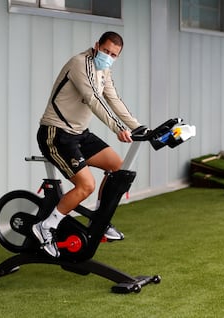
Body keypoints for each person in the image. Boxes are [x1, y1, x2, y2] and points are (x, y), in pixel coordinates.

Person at [32, 31, 142, 257]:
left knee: (118, 168)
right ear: (96, 46)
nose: (109, 57)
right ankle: (45, 226)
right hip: (56, 133)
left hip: (80, 134)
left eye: (114, 55)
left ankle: (99, 221)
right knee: (86, 186)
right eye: (106, 51)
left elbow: (114, 99)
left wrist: (139, 127)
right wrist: (118, 128)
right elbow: (94, 99)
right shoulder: (79, 64)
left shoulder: (104, 70)